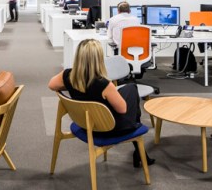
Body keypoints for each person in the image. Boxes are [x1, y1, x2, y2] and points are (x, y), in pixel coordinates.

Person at [48, 39, 154, 167]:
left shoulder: (67, 75)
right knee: (132, 90)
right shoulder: (104, 84)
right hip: (107, 128)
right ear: (98, 59)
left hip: (85, 123)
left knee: (128, 89)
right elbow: (122, 110)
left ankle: (139, 152)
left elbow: (52, 85)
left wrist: (76, 85)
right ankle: (139, 150)